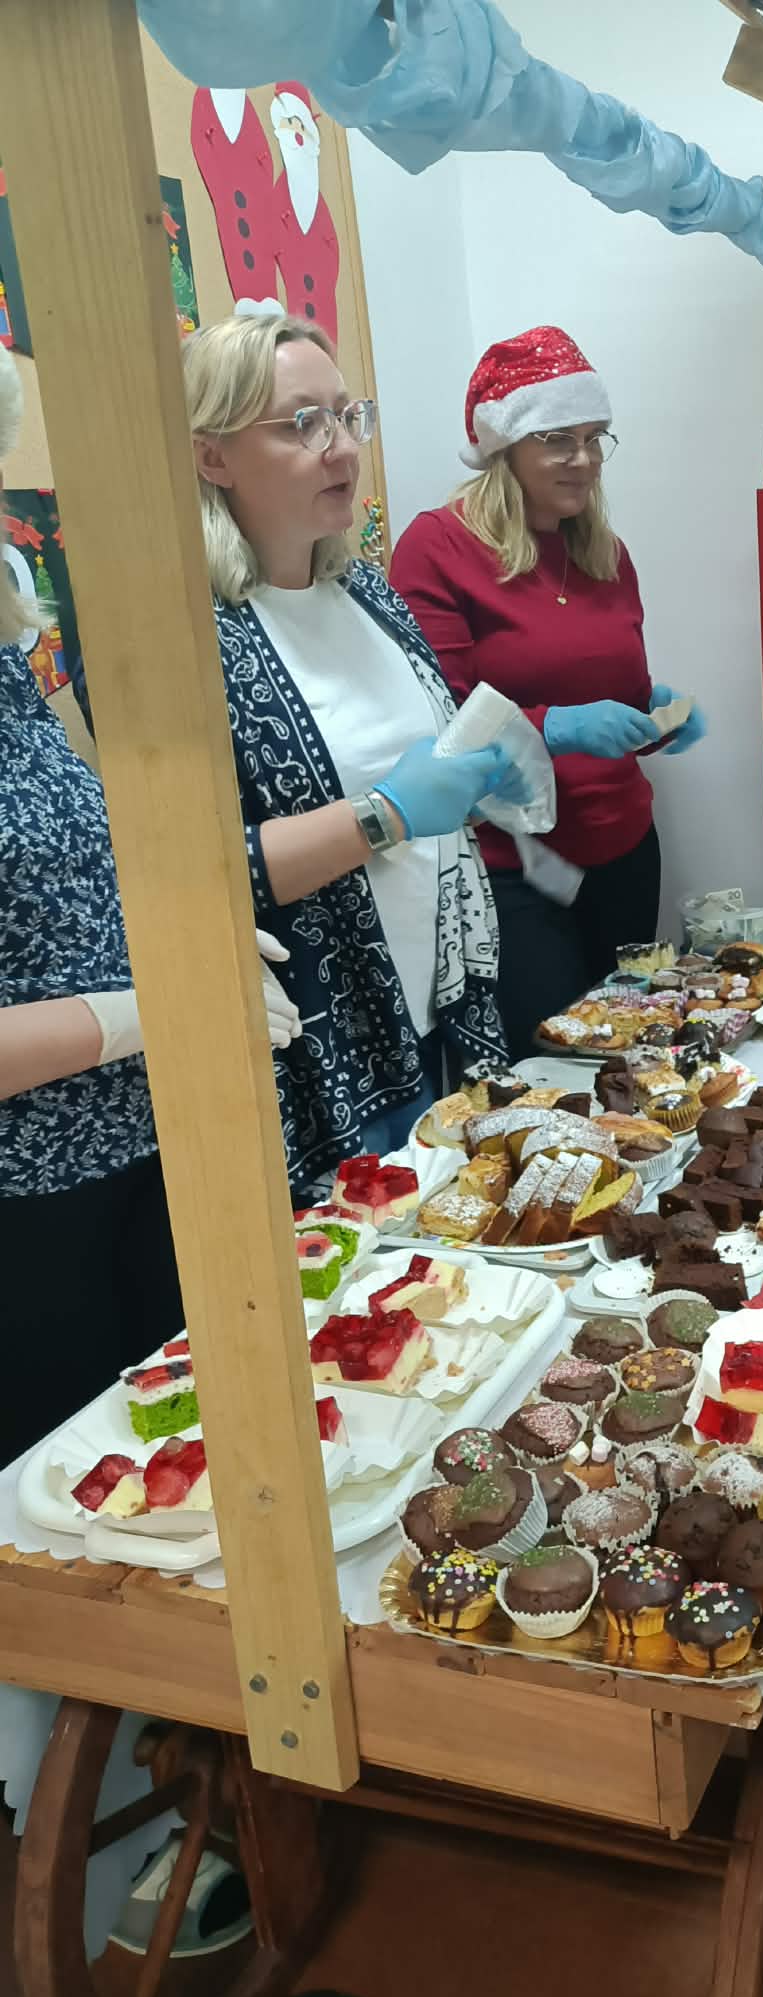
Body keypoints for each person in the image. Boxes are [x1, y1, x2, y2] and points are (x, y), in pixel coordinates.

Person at [0, 346, 298, 1462]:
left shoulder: (10, 670)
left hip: (141, 1146)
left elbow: (59, 866)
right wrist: (153, 1008)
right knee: (72, 1500)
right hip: (30, 1199)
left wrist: (184, 940)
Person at [182, 313, 532, 1193]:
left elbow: (429, 761)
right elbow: (189, 875)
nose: (342, 448)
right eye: (303, 423)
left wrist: (481, 773)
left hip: (439, 1016)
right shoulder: (183, 640)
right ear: (212, 457)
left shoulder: (368, 593)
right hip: (323, 1050)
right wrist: (387, 816)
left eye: (348, 415)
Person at [390, 326, 706, 1055]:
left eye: (595, 439)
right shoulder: (438, 549)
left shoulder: (603, 553)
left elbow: (619, 691)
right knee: (552, 1068)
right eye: (559, 440)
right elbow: (442, 724)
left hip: (624, 850)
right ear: (505, 446)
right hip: (515, 865)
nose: (585, 460)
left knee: (631, 1055)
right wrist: (555, 727)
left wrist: (655, 714)